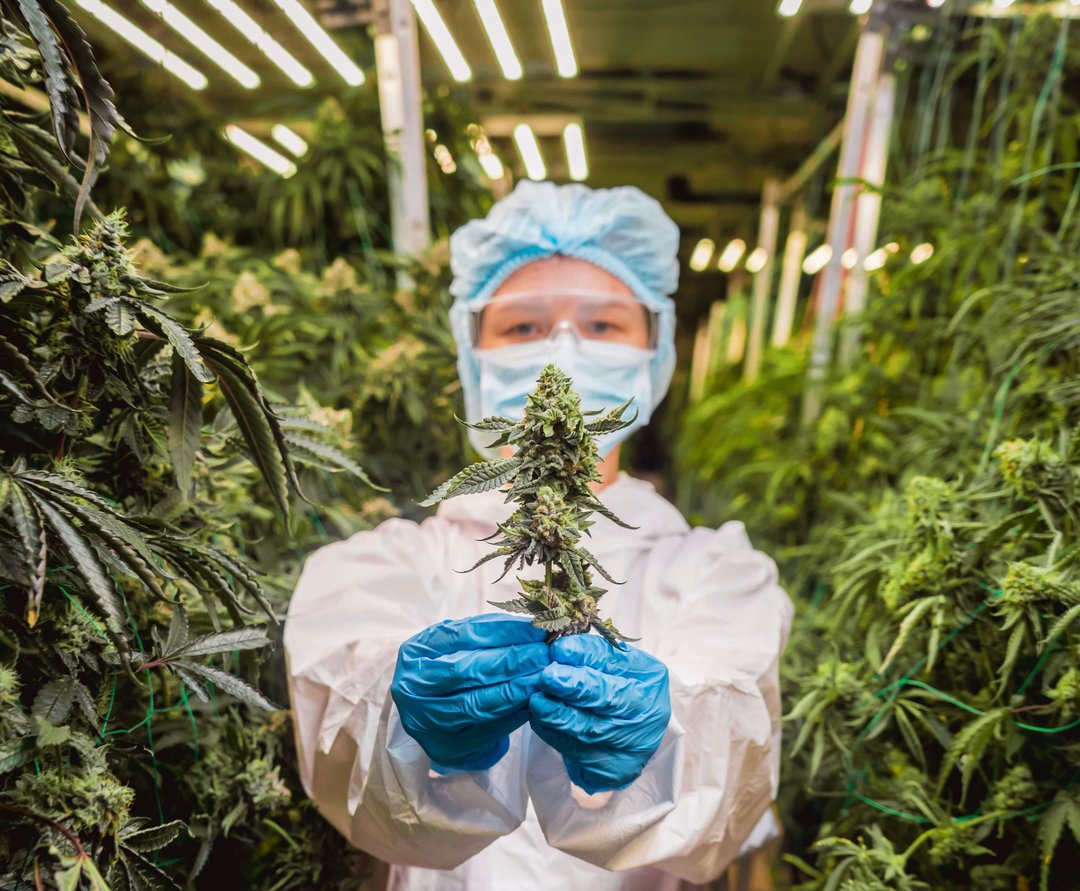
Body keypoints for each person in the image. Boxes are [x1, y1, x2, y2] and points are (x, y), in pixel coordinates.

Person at [284, 181, 794, 891]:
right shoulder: (385, 565)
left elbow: (730, 787)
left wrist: (661, 733)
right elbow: (342, 753)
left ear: (656, 354)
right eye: (522, 327)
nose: (562, 351)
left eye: (604, 325)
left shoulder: (718, 572)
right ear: (473, 356)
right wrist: (403, 722)